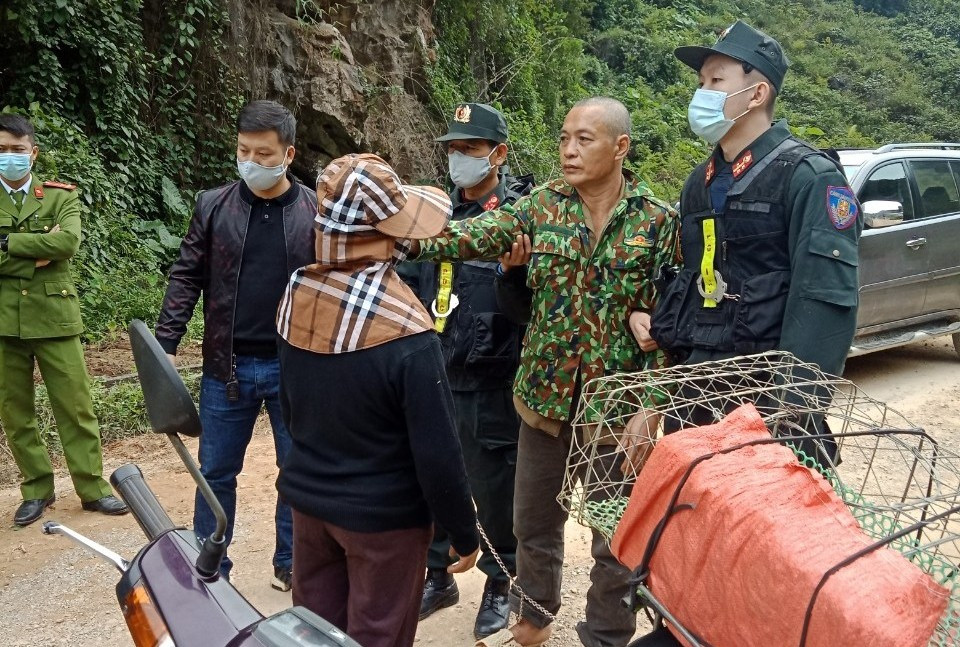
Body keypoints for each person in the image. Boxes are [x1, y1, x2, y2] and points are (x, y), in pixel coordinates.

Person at [412, 97, 679, 647]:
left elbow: (668, 323)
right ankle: (534, 616)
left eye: (584, 139)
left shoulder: (657, 223)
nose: (569, 150)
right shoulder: (540, 206)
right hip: (544, 402)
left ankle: (605, 634)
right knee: (533, 524)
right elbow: (473, 237)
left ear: (620, 147)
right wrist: (399, 238)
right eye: (563, 138)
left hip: (616, 409)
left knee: (616, 535)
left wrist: (651, 405)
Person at [274, 153, 480, 647]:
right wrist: (463, 531)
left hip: (308, 506)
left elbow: (292, 409)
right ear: (384, 236)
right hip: (384, 524)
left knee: (313, 636)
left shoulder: (296, 295)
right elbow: (437, 453)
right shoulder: (409, 333)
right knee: (378, 636)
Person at [635, 21, 861, 438]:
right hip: (695, 400)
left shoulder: (810, 178)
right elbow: (694, 284)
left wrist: (790, 416)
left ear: (757, 94)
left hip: (765, 404)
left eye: (716, 80)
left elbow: (822, 300)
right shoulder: (697, 184)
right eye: (701, 81)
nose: (701, 93)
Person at [155, 100, 317, 589]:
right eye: (244, 150)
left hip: (295, 365)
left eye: (263, 154)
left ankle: (292, 561)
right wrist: (166, 341)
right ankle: (212, 566)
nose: (251, 161)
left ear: (288, 154)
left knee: (297, 471)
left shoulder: (315, 210)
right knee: (216, 471)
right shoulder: (213, 205)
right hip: (227, 368)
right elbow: (186, 275)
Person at [397, 103, 533, 639]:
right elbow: (407, 282)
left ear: (498, 154)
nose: (459, 159)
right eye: (453, 150)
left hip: (493, 373)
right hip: (435, 366)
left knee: (493, 484)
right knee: (430, 473)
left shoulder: (517, 219)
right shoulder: (433, 216)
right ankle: (438, 574)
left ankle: (501, 579)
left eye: (471, 149)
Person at [0, 114, 128, 526]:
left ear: (33, 153)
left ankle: (92, 488)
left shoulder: (59, 196)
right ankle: (36, 489)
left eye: (17, 150)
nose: (10, 157)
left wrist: (8, 245)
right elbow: (51, 247)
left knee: (76, 406)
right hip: (4, 322)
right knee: (15, 411)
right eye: (2, 150)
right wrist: (35, 254)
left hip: (56, 317)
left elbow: (67, 242)